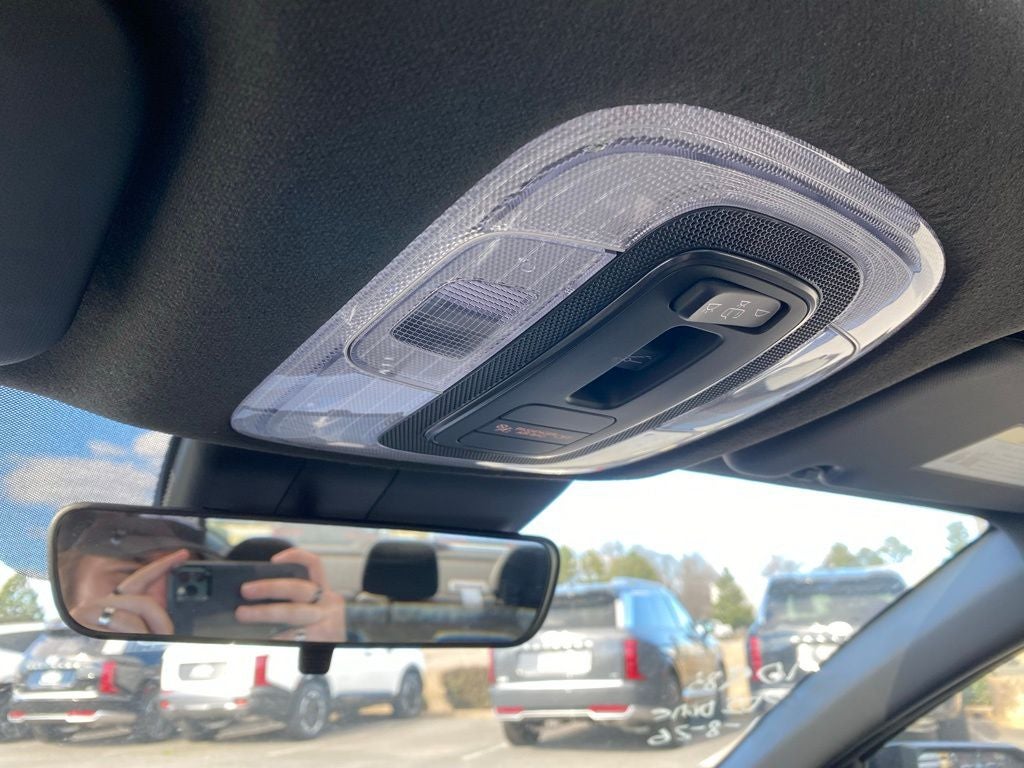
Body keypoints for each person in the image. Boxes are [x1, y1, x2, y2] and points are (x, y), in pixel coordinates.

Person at [56, 510, 346, 642]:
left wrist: (319, 647)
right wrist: (90, 642)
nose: (161, 595)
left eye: (188, 581)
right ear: (69, 607)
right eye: (127, 574)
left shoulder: (237, 642)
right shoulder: (69, 653)